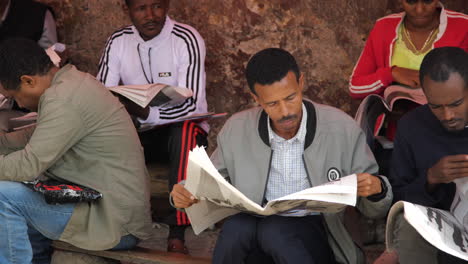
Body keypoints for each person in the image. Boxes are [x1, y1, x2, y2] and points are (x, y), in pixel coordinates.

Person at [171, 48, 393, 264]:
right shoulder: (237, 130)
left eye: (290, 97)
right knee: (237, 228)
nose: (285, 111)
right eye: (272, 103)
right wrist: (184, 193)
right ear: (256, 98)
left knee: (275, 229)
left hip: (315, 236)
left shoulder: (341, 128)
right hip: (256, 231)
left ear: (301, 83)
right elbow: (207, 180)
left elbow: (375, 206)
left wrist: (376, 189)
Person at [0, 38, 152, 264]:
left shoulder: (63, 99)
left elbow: (26, 165)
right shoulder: (72, 82)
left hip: (112, 221)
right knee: (22, 197)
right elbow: (29, 138)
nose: (19, 105)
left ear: (28, 81)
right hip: (104, 209)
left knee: (3, 195)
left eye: (14, 97)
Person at [96, 0, 208, 254]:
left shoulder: (186, 38)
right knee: (104, 131)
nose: (150, 15)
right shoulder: (118, 41)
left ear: (167, 5)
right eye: (141, 8)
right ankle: (115, 223)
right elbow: (101, 95)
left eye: (157, 6)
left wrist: (147, 113)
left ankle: (177, 231)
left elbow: (192, 106)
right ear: (128, 10)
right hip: (139, 134)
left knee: (186, 130)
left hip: (180, 135)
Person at [389, 47, 468, 264]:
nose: (448, 115)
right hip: (436, 236)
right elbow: (398, 199)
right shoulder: (411, 127)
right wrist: (430, 179)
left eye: (455, 104)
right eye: (436, 106)